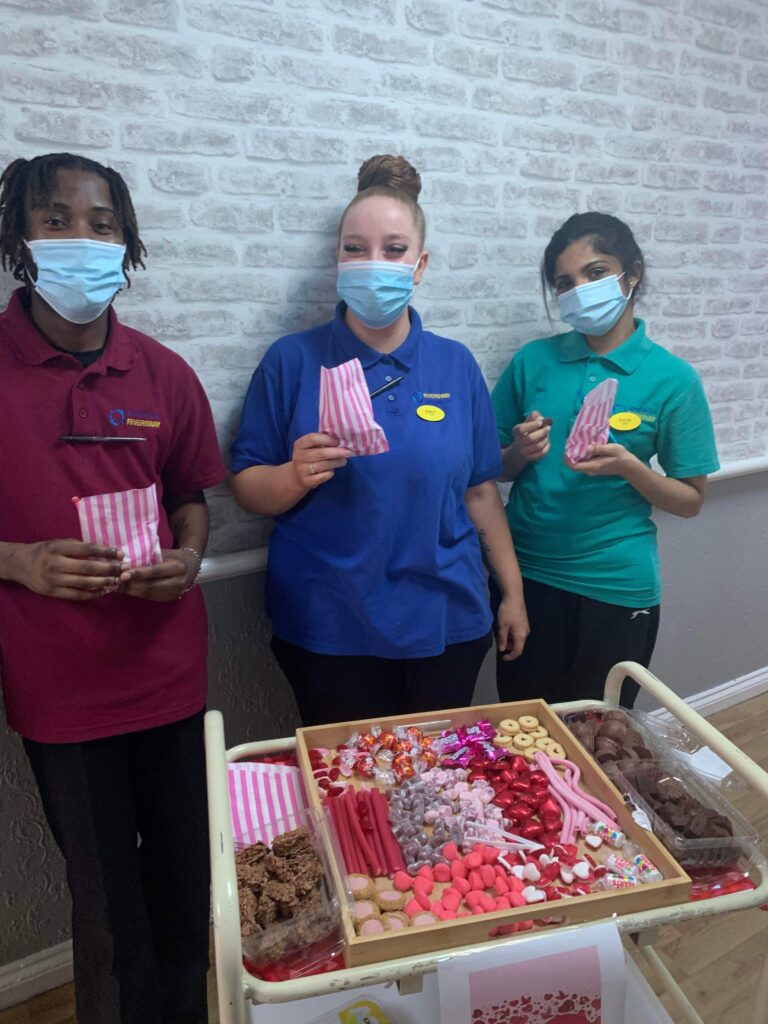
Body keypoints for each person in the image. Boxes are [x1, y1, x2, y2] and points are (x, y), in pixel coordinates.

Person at [0, 153, 226, 1024]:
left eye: (102, 225)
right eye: (56, 221)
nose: (81, 241)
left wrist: (188, 558)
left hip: (168, 674)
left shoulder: (162, 373)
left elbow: (192, 498)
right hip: (61, 690)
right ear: (21, 239)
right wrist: (21, 562)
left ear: (126, 243)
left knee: (184, 882)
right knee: (106, 908)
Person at [231, 155, 528, 726]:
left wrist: (511, 592)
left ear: (419, 265)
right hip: (329, 625)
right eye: (355, 248)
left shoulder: (455, 364)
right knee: (346, 776)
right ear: (337, 259)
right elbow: (247, 487)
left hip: (447, 619)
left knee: (437, 774)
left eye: (393, 250)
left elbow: (480, 491)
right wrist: (293, 475)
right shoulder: (291, 360)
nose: (373, 264)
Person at [491, 212, 719, 708]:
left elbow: (690, 501)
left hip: (615, 583)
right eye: (565, 283)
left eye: (595, 273)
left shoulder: (674, 379)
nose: (580, 291)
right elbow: (491, 469)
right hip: (526, 576)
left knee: (601, 733)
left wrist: (630, 468)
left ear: (632, 273)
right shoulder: (532, 361)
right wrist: (519, 453)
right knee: (525, 726)